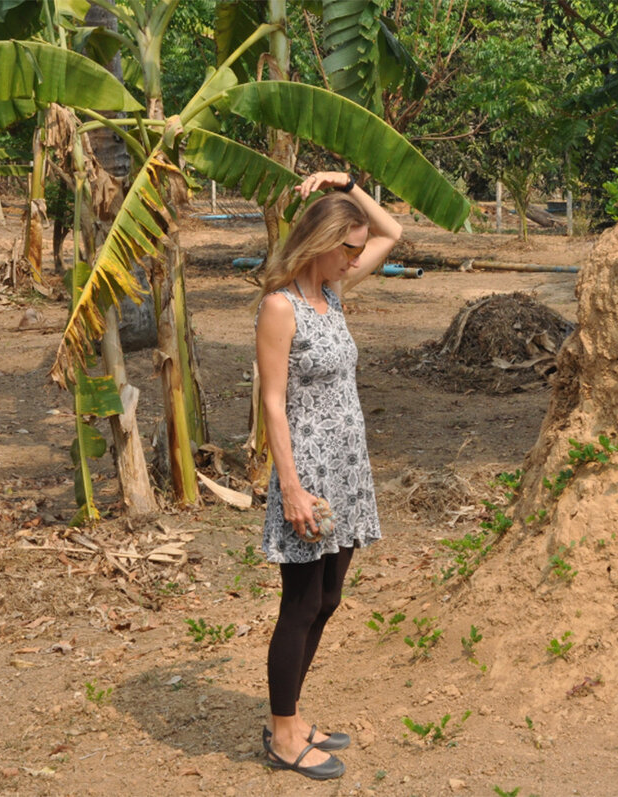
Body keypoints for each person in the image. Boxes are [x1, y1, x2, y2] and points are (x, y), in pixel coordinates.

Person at [253, 171, 402, 779]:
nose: (358, 259)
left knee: (330, 597)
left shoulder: (332, 294)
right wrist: (290, 486)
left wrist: (351, 184)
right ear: (321, 243)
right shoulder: (280, 306)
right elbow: (272, 402)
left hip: (347, 469)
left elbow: (394, 232)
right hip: (308, 473)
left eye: (357, 250)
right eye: (349, 248)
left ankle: (290, 718)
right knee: (301, 601)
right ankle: (283, 734)